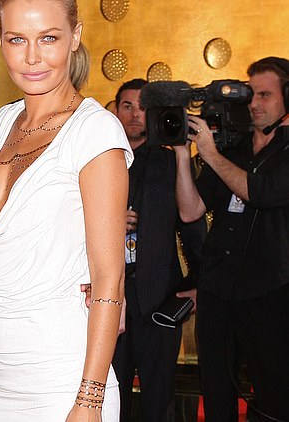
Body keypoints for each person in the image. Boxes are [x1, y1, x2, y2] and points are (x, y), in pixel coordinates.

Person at [0, 0, 132, 421]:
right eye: (17, 39)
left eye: (49, 38)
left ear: (75, 36)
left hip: (62, 380)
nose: (32, 57)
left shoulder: (94, 131)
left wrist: (89, 400)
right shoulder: (2, 124)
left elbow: (109, 280)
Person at [174, 57, 289, 421]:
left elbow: (261, 191)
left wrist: (210, 153)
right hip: (218, 289)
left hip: (270, 292)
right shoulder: (232, 149)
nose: (254, 103)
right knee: (216, 390)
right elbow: (190, 210)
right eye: (251, 95)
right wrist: (183, 154)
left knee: (273, 393)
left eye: (266, 95)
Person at [112, 78, 188, 421]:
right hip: (109, 299)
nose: (135, 114)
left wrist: (195, 288)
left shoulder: (171, 163)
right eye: (127, 106)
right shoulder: (99, 161)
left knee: (160, 400)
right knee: (113, 396)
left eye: (142, 107)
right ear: (115, 110)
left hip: (159, 300)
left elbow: (192, 226)